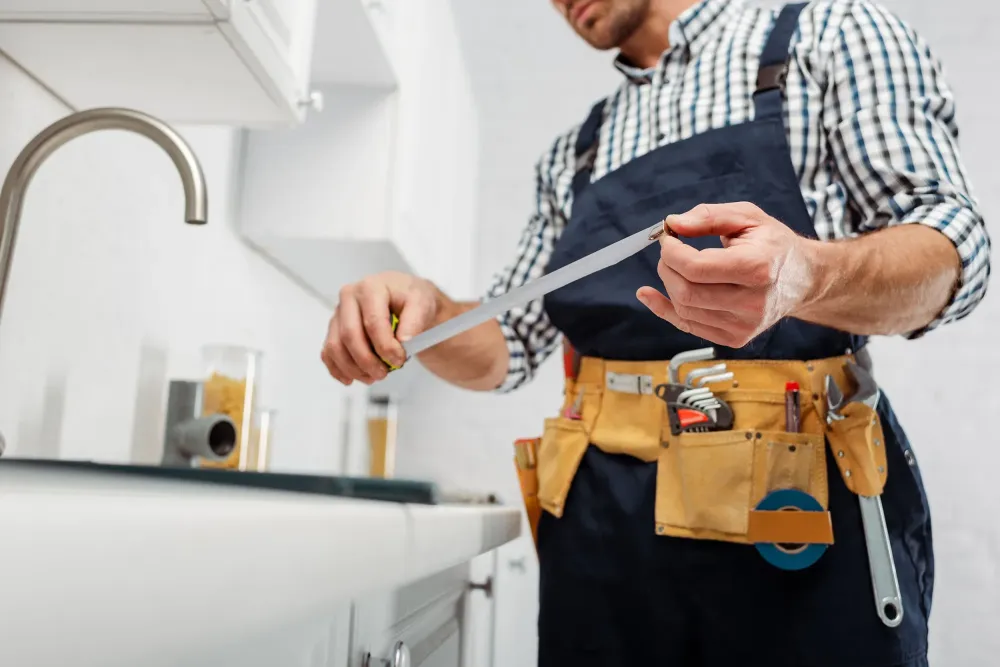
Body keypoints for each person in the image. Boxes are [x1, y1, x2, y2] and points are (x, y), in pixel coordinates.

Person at [321, 0, 990, 664]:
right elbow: (509, 342)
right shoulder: (573, 157)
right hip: (598, 530)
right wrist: (432, 314)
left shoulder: (830, 35)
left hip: (793, 506)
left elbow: (953, 251)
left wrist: (807, 276)